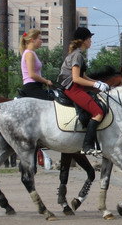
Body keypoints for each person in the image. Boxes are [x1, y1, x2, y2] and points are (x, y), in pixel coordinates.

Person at [57, 27, 109, 155]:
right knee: (98, 112)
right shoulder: (77, 55)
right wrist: (95, 84)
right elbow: (76, 79)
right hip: (73, 88)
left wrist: (97, 83)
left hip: (74, 87)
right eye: (89, 38)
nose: (91, 41)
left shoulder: (77, 54)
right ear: (84, 40)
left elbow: (83, 76)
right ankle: (87, 145)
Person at [20, 29, 54, 101]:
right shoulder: (29, 54)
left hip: (34, 86)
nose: (41, 41)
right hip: (31, 87)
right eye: (40, 39)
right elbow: (31, 74)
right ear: (32, 40)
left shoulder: (31, 53)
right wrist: (46, 81)